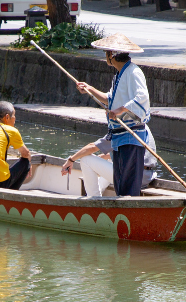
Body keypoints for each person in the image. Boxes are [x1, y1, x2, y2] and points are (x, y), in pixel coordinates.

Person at [65, 33, 151, 196]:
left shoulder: (133, 72)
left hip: (131, 136)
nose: (106, 56)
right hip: (119, 137)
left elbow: (142, 97)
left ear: (111, 55)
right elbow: (109, 99)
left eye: (106, 53)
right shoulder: (119, 74)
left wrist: (120, 110)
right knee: (120, 181)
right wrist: (89, 88)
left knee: (127, 183)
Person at [60, 127, 158, 196]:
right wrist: (104, 156)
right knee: (112, 162)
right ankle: (98, 191)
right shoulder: (142, 127)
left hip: (131, 178)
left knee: (86, 160)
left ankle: (94, 200)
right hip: (147, 177)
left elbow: (92, 147)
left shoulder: (122, 128)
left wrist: (71, 159)